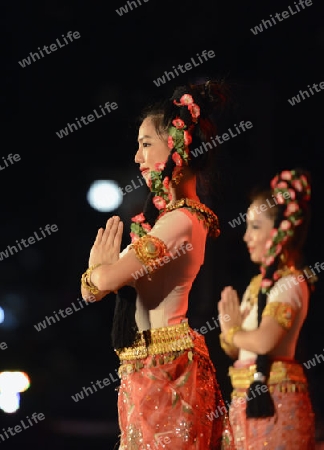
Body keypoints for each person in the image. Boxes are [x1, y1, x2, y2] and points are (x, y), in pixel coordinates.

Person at [80, 82, 235, 449]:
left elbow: (106, 279)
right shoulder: (163, 221)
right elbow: (91, 292)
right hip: (148, 367)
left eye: (146, 144)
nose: (138, 157)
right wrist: (97, 277)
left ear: (178, 148)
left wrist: (99, 273)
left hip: (170, 371)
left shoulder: (181, 221)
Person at [218, 168, 316, 449]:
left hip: (275, 403)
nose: (246, 236)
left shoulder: (290, 283)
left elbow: (263, 341)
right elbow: (240, 349)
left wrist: (232, 332)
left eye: (255, 227)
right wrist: (230, 335)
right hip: (247, 401)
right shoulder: (256, 285)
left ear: (281, 230)